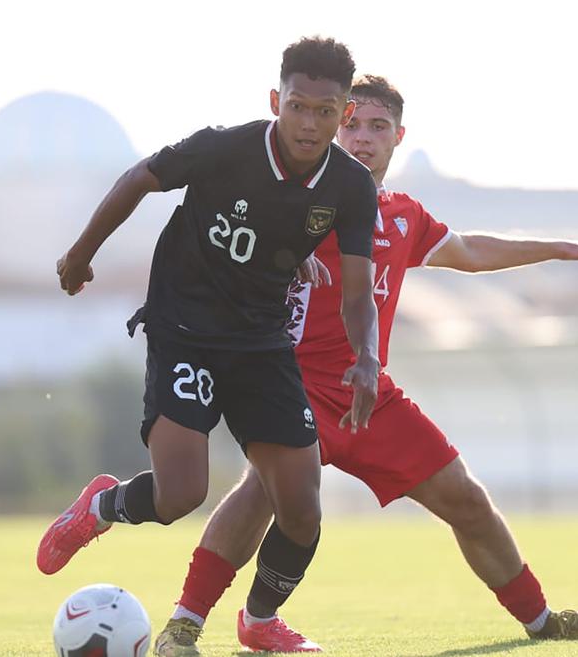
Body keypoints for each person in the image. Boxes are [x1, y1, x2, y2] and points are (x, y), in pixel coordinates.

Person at [153, 75, 578, 655]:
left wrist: (561, 248)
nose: (362, 138)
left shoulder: (402, 216)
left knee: (466, 500)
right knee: (261, 492)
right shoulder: (300, 197)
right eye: (351, 124)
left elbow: (472, 250)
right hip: (288, 379)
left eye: (378, 127)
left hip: (367, 393)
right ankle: (184, 625)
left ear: (399, 137)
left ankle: (542, 621)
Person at [38, 38, 382, 647]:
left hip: (260, 343)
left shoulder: (351, 186)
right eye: (298, 106)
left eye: (325, 112)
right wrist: (80, 255)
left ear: (344, 115)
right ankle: (100, 508)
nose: (309, 123)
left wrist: (366, 359)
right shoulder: (226, 147)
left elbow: (358, 292)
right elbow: (139, 177)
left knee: (302, 508)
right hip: (185, 331)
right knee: (180, 496)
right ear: (277, 100)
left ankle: (257, 622)